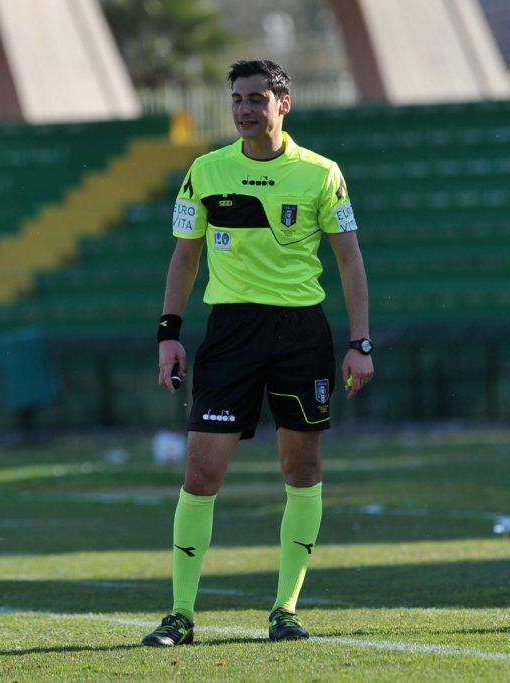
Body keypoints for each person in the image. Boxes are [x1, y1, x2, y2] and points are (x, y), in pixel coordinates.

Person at [142, 59, 374, 646]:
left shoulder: (321, 173)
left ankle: (285, 610)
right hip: (230, 334)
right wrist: (169, 333)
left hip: (300, 334)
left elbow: (349, 259)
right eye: (237, 99)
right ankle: (180, 614)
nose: (243, 109)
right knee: (200, 473)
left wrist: (360, 344)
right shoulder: (206, 170)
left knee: (302, 470)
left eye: (255, 99)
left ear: (283, 103)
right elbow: (184, 256)